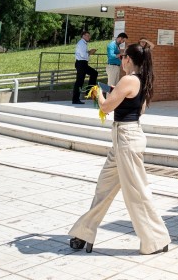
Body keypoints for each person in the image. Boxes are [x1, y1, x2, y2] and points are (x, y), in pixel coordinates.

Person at [68, 43, 172, 255]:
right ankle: (84, 232)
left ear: (128, 59)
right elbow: (138, 109)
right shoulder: (142, 80)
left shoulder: (129, 79)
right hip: (124, 138)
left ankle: (156, 239)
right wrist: (115, 93)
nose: (122, 59)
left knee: (137, 192)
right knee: (103, 188)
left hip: (126, 139)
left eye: (124, 56)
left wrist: (97, 93)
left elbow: (106, 107)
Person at [72, 30, 99, 104]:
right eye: (87, 35)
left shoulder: (84, 43)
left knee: (91, 75)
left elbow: (84, 54)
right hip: (81, 63)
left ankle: (88, 91)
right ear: (83, 36)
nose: (89, 37)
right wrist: (90, 52)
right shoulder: (81, 43)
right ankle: (78, 97)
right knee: (80, 81)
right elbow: (83, 55)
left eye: (89, 36)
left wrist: (89, 52)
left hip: (83, 63)